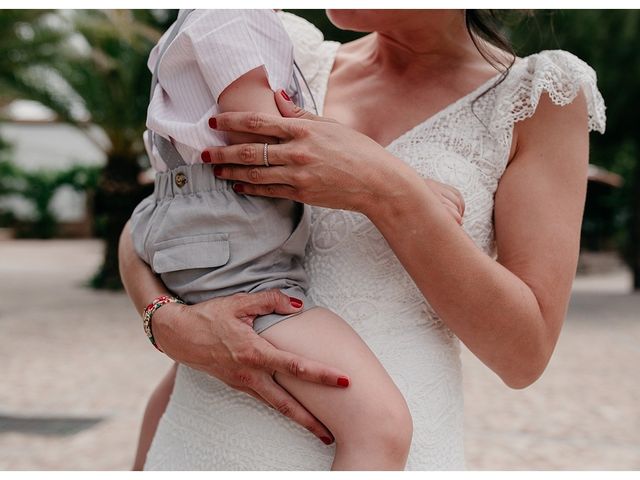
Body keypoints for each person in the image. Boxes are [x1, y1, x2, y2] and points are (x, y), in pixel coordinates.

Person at [119, 9, 606, 470]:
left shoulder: (538, 97)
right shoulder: (284, 53)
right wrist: (163, 320)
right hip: (200, 438)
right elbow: (161, 214)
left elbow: (524, 355)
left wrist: (388, 190)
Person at [125, 9, 465, 471]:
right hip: (237, 247)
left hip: (220, 233)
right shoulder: (231, 18)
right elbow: (261, 138)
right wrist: (406, 183)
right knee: (379, 426)